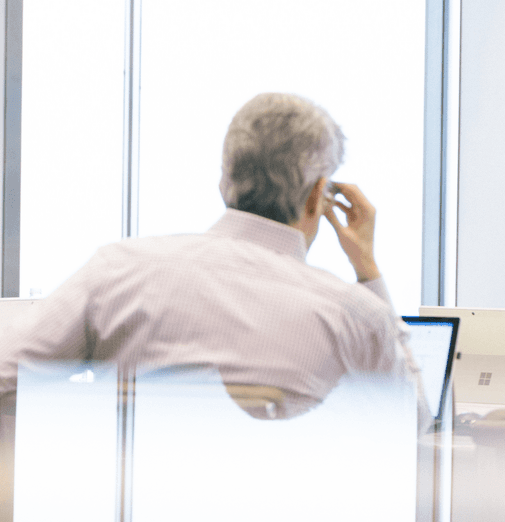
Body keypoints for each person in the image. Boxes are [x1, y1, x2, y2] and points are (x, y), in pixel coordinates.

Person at [0, 92, 428, 422]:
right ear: (319, 194)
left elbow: (7, 376)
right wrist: (366, 269)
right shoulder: (354, 315)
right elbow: (414, 425)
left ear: (225, 181)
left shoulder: (118, 270)